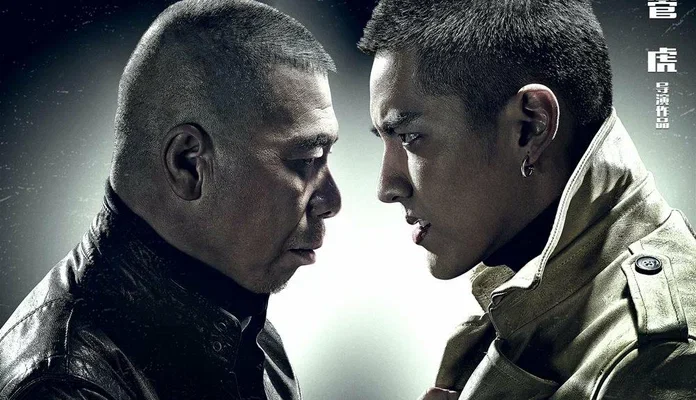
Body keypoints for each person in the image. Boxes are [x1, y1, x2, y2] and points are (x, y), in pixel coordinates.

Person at [0, 0, 340, 399]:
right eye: (305, 160)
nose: (331, 200)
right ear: (188, 164)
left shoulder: (250, 332)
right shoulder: (65, 387)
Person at [360, 0, 696, 399]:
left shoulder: (660, 361)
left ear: (531, 127)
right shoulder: (530, 288)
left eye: (410, 137)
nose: (386, 187)